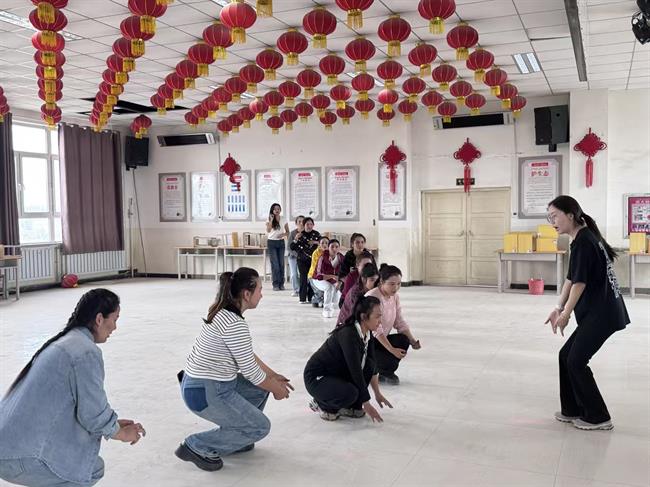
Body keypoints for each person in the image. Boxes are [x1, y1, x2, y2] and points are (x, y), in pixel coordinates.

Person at [0, 289, 146, 487]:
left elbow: (79, 410)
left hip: (8, 446)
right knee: (90, 469)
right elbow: (93, 415)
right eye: (115, 319)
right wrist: (121, 433)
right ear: (99, 319)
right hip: (17, 456)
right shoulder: (85, 352)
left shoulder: (66, 341)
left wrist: (113, 425)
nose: (115, 327)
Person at [176, 268, 293, 471]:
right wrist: (276, 389)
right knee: (260, 426)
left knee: (260, 389)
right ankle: (196, 445)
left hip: (206, 386)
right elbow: (251, 372)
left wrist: (273, 376)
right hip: (204, 392)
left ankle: (238, 436)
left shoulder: (225, 313)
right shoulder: (233, 324)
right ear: (247, 294)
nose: (262, 295)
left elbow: (247, 355)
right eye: (259, 290)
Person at [545, 196, 630, 431]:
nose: (552, 222)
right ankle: (572, 409)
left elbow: (579, 284)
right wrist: (558, 308)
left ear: (570, 215)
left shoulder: (584, 241)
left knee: (576, 361)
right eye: (549, 217)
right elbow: (571, 278)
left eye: (555, 216)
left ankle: (598, 416)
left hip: (603, 313)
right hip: (599, 311)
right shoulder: (581, 239)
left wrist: (566, 314)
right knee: (566, 356)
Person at [304, 296, 392, 422]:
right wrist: (366, 403)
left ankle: (350, 406)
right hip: (317, 378)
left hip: (337, 373)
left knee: (369, 365)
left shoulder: (368, 333)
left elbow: (372, 366)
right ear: (363, 316)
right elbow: (355, 370)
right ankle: (322, 404)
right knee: (350, 393)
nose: (380, 321)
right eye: (377, 317)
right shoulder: (348, 334)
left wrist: (377, 394)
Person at [365, 264, 421, 385]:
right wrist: (391, 349)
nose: (396, 288)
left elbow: (399, 321)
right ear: (381, 282)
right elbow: (376, 329)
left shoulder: (394, 297)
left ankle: (384, 372)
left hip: (379, 339)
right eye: (391, 284)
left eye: (399, 284)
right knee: (390, 352)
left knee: (403, 340)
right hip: (366, 343)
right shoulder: (373, 297)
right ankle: (372, 370)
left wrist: (412, 340)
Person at [290, 217, 321, 304]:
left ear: (313, 225)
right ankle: (302, 298)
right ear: (304, 225)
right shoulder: (300, 235)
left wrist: (315, 242)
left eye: (311, 224)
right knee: (303, 278)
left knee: (311, 278)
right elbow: (292, 247)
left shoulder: (316, 234)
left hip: (313, 260)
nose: (309, 226)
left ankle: (311, 298)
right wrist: (295, 239)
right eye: (307, 224)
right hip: (302, 260)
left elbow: (324, 243)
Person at [312, 239, 345, 318]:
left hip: (332, 280)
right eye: (332, 247)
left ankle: (334, 305)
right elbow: (318, 275)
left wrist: (340, 282)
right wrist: (333, 276)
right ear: (328, 247)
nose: (334, 249)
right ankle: (326, 310)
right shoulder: (322, 258)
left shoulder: (341, 258)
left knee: (338, 292)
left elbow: (344, 273)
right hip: (318, 280)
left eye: (336, 247)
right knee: (329, 287)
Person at [265, 203, 290, 291]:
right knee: (275, 264)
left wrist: (283, 235)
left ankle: (281, 284)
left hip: (281, 242)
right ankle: (275, 284)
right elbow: (268, 230)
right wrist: (271, 220)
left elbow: (288, 232)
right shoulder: (269, 218)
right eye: (275, 209)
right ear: (272, 210)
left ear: (280, 210)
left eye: (278, 209)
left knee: (281, 264)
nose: (277, 210)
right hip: (271, 242)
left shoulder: (283, 219)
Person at [308, 236, 330, 308]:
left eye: (326, 243)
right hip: (313, 276)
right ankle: (315, 300)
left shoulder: (330, 252)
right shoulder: (316, 253)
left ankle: (322, 301)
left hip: (325, 276)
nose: (324, 245)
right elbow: (317, 267)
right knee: (318, 292)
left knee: (326, 289)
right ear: (319, 244)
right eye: (322, 243)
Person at [287, 215, 305, 297]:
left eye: (303, 222)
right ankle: (296, 290)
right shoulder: (292, 233)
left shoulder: (307, 233)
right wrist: (297, 255)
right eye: (299, 222)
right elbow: (289, 247)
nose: (301, 223)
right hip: (293, 257)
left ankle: (303, 290)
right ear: (296, 223)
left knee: (302, 274)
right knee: (294, 274)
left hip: (304, 257)